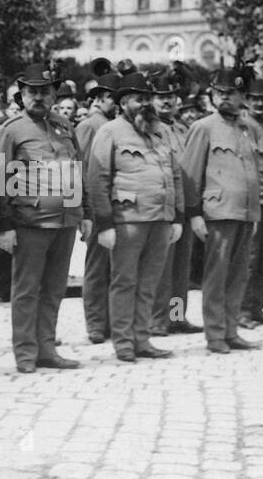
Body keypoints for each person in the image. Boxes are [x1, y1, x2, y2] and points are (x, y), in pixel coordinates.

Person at [0, 62, 87, 373]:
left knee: (55, 288)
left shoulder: (64, 127)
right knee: (26, 289)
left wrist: (81, 212)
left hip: (64, 221)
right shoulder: (11, 129)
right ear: (22, 93)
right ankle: (25, 352)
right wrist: (3, 224)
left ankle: (47, 347)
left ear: (54, 93)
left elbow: (75, 170)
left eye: (44, 92)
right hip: (30, 221)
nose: (38, 97)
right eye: (32, 91)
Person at [86, 71, 184, 362]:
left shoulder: (161, 131)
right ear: (123, 102)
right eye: (138, 99)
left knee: (149, 283)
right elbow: (97, 179)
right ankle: (124, 343)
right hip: (127, 220)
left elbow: (174, 174)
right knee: (124, 282)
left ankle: (143, 339)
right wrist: (104, 224)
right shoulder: (110, 132)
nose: (145, 104)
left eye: (147, 99)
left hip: (160, 219)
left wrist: (177, 217)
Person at [180, 67, 260, 354]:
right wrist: (194, 214)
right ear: (212, 95)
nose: (225, 98)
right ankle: (215, 335)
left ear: (242, 96)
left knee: (238, 275)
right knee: (216, 275)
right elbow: (190, 174)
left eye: (232, 93)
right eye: (219, 93)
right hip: (218, 212)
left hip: (245, 212)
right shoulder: (203, 127)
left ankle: (231, 330)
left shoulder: (248, 128)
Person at [151, 69, 201, 336]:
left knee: (181, 267)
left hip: (185, 205)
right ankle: (158, 320)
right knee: (161, 268)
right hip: (163, 204)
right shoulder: (148, 128)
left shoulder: (183, 128)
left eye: (170, 95)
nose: (166, 101)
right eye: (160, 96)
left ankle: (176, 316)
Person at [75, 72, 119, 343]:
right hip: (95, 203)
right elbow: (77, 167)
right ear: (99, 99)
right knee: (96, 267)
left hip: (118, 204)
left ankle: (112, 321)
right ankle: (95, 323)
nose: (115, 103)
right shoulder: (91, 125)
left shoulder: (120, 126)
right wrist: (82, 209)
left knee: (115, 268)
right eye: (111, 98)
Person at [239, 75, 263, 327]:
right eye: (254, 99)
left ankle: (257, 307)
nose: (259, 103)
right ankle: (242, 310)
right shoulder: (243, 126)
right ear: (246, 100)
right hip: (252, 202)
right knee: (249, 259)